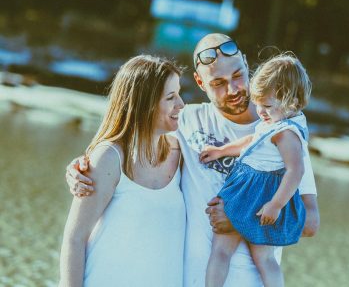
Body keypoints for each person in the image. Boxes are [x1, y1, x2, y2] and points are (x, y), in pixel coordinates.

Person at [66, 34, 320, 287]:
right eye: (218, 82)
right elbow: (133, 139)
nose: (232, 89)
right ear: (200, 82)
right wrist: (85, 166)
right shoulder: (185, 121)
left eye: (238, 75)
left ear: (245, 63)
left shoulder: (284, 135)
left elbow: (310, 223)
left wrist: (238, 217)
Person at [59, 55, 186, 287]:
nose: (181, 104)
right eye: (171, 97)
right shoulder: (109, 158)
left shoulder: (183, 152)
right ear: (144, 104)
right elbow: (75, 239)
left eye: (179, 93)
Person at [200, 53, 312, 287]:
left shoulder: (287, 134)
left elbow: (295, 171)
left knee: (253, 255)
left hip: (260, 193)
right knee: (230, 251)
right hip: (250, 186)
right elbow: (253, 140)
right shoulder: (275, 123)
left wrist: (276, 204)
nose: (259, 110)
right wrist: (222, 151)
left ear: (290, 101)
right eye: (257, 103)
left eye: (267, 105)